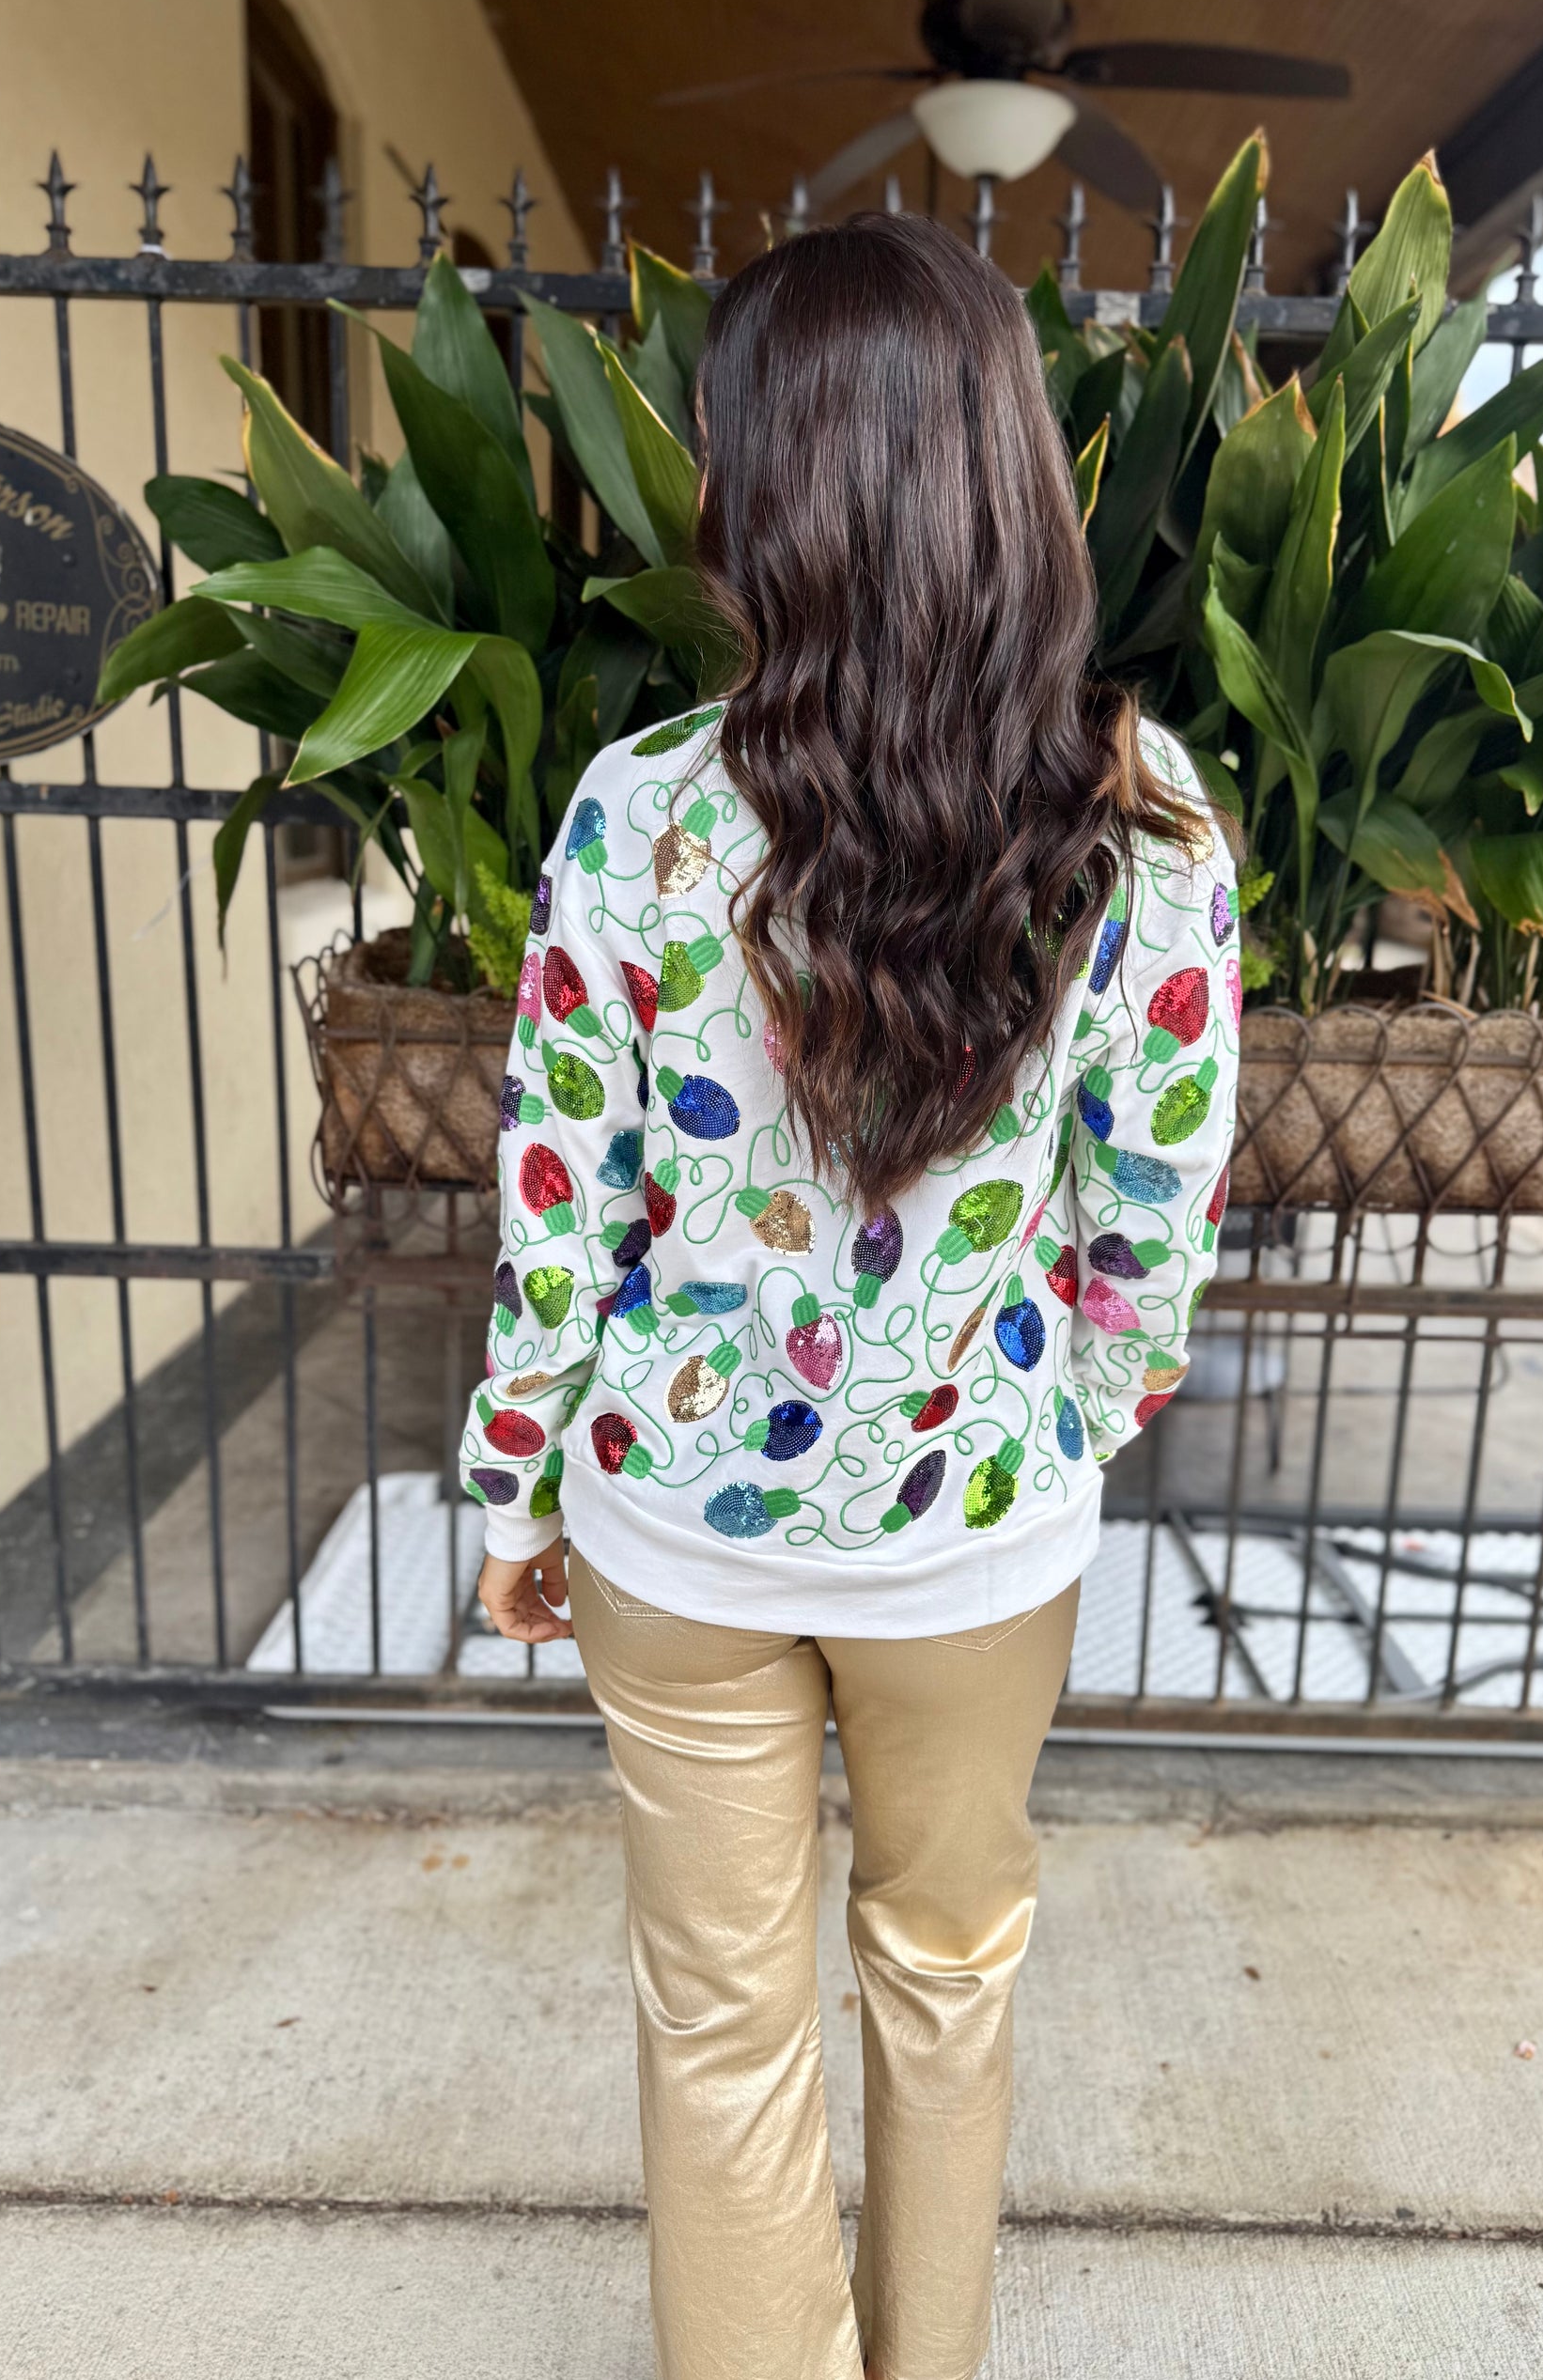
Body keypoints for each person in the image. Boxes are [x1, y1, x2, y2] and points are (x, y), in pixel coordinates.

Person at [463, 211, 1238, 2380]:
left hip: (673, 1527)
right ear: (1008, 473)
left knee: (718, 2018)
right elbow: (1153, 1208)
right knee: (949, 1981)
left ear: (763, 488)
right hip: (977, 1534)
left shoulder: (636, 815)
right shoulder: (1140, 819)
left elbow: (562, 1200)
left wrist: (515, 1479)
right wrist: (1060, 1417)